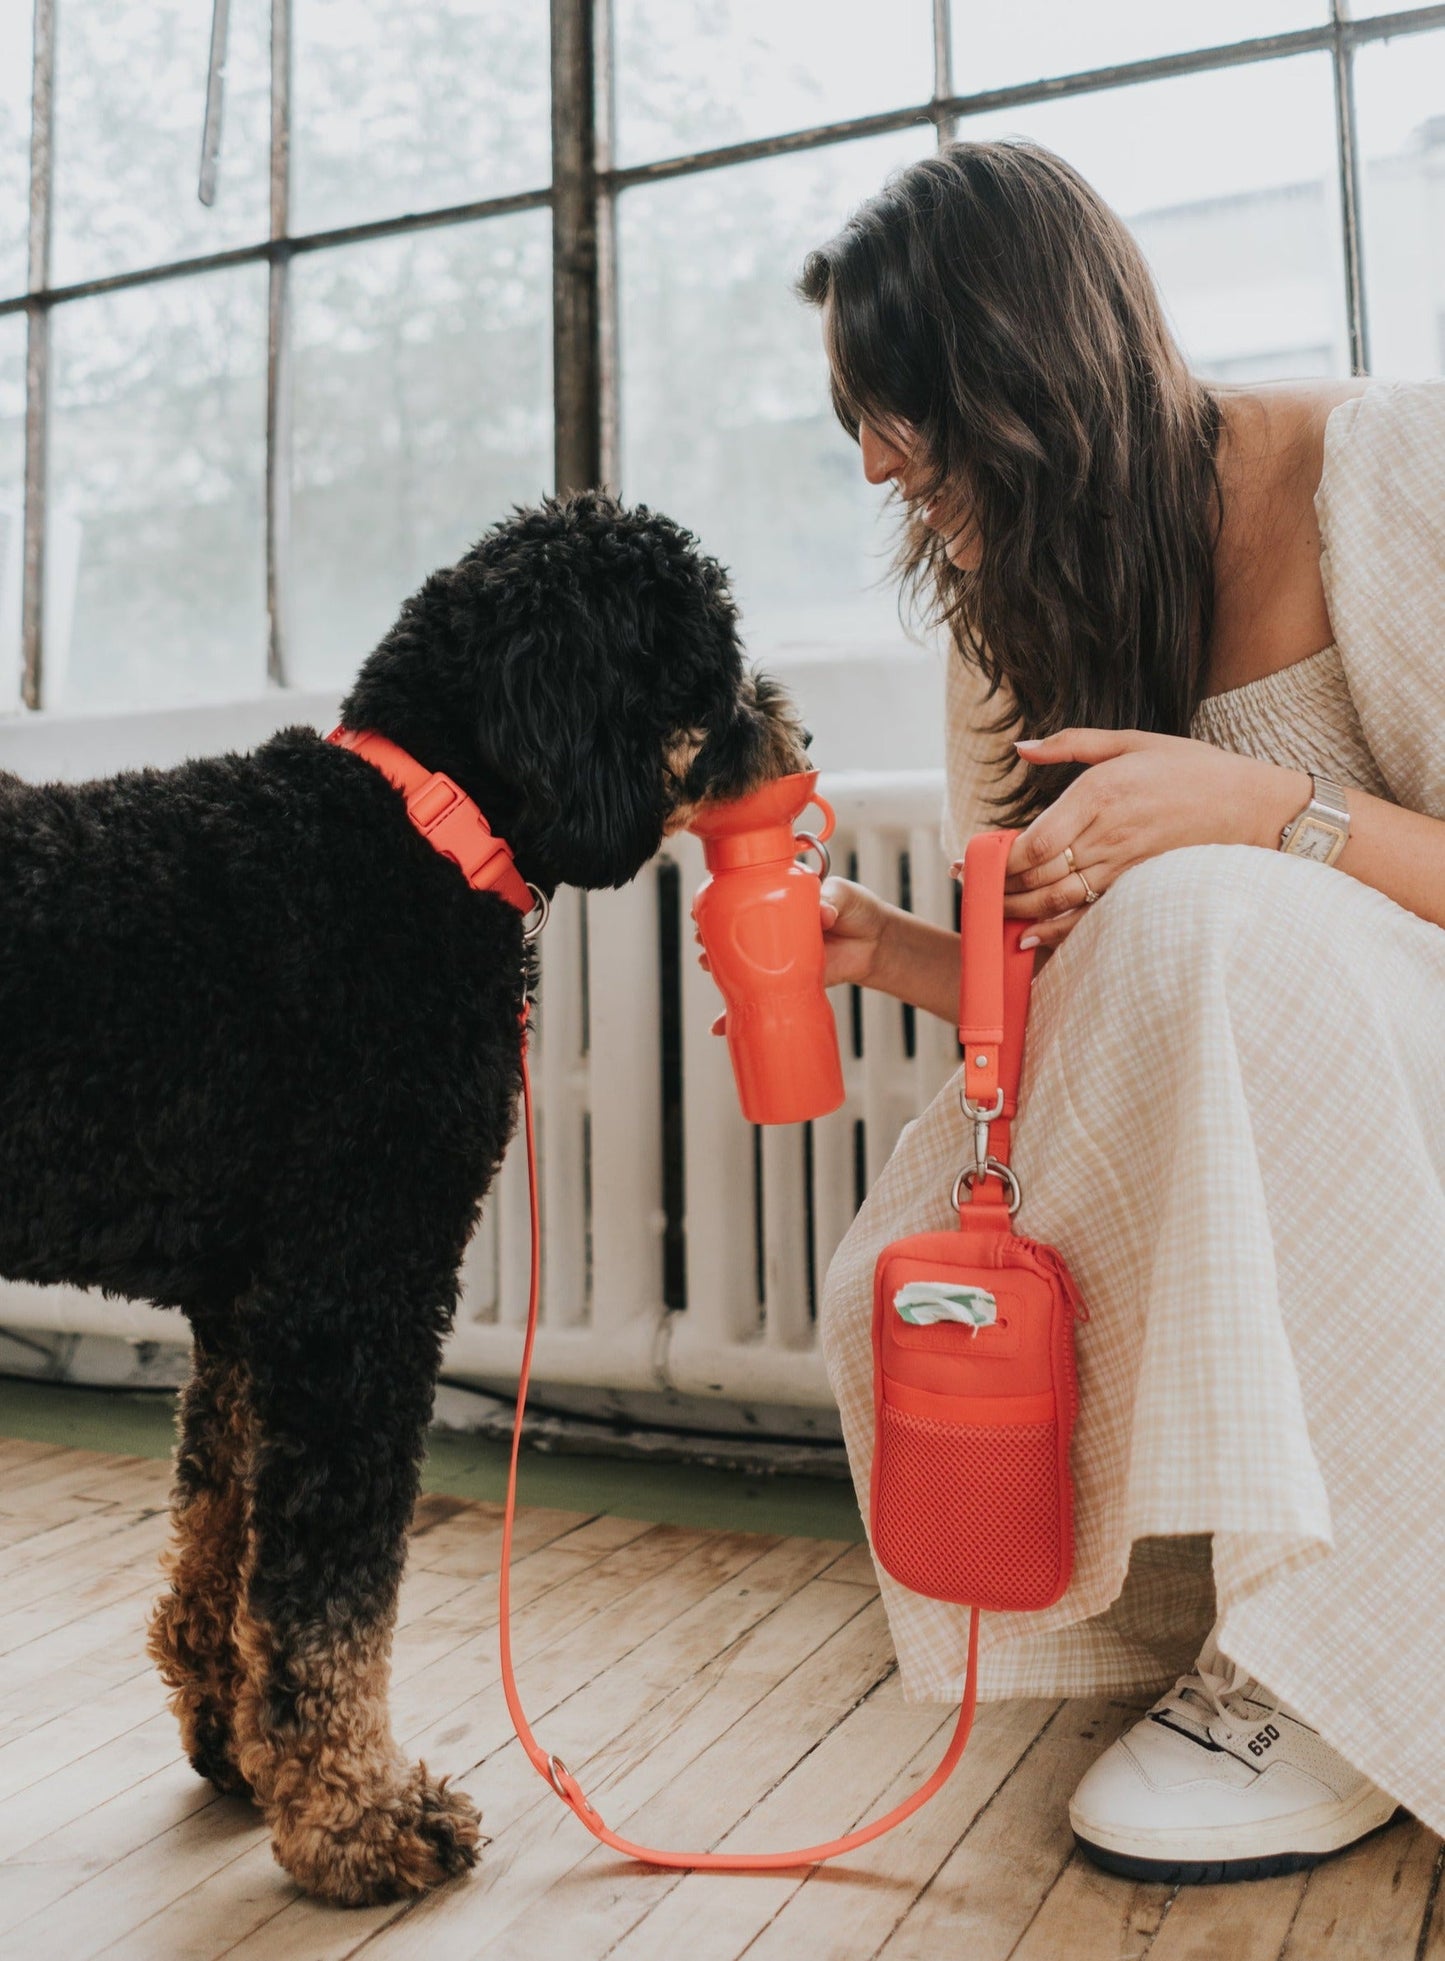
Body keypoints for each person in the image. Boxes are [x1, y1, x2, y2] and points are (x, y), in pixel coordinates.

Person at [797, 139, 1445, 1884]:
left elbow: (1202, 920)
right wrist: (899, 954)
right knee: (908, 1235)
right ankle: (1257, 1592)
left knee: (1208, 912)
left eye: (894, 399)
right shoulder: (1012, 610)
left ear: (1023, 364)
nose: (869, 457)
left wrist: (1263, 815)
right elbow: (1079, 1005)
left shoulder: (1389, 473)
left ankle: (1343, 1653)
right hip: (1268, 1063)